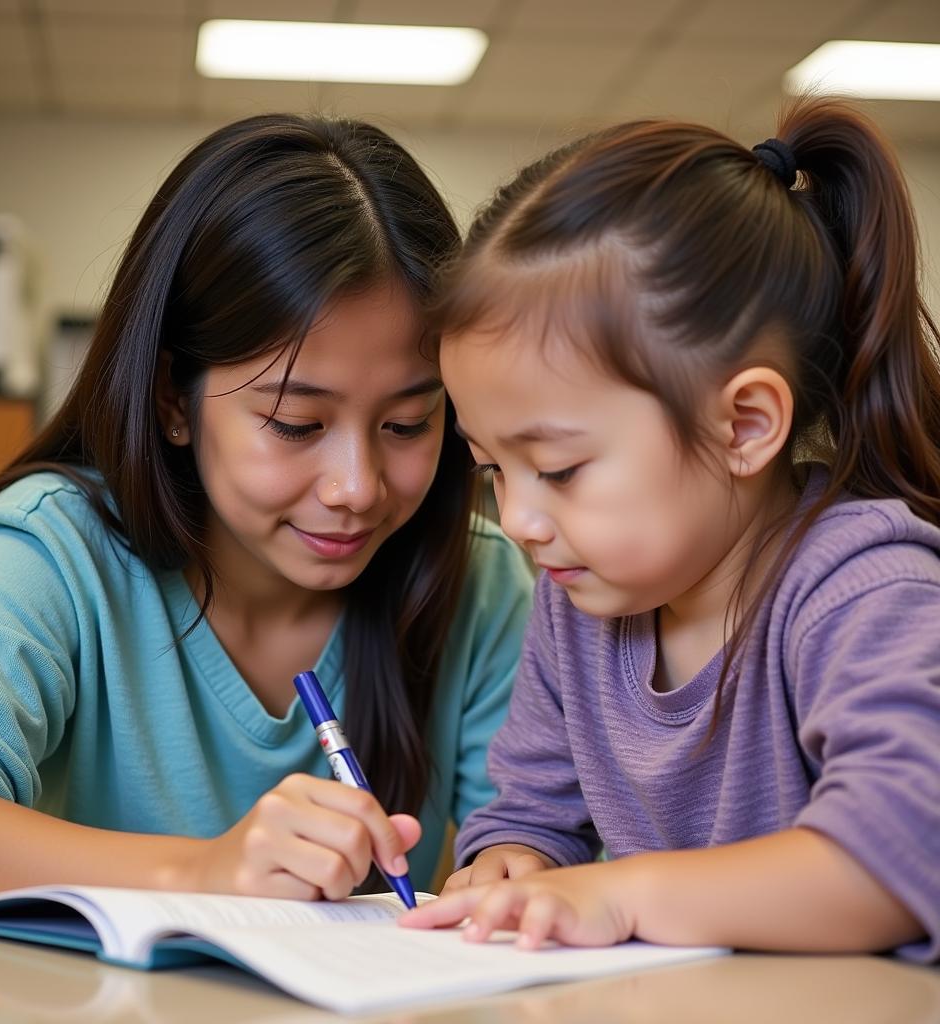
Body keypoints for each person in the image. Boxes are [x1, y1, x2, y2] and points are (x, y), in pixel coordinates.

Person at [0, 114, 534, 908]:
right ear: (175, 397)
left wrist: (523, 862)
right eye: (297, 424)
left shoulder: (480, 578)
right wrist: (204, 873)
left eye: (408, 424)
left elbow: (531, 831)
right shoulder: (57, 547)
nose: (357, 487)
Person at [400, 96, 940, 961]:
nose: (521, 521)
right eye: (492, 467)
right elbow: (533, 813)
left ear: (746, 426)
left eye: (562, 468)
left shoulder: (863, 591)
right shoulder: (575, 602)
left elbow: (900, 856)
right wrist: (513, 863)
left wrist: (620, 892)